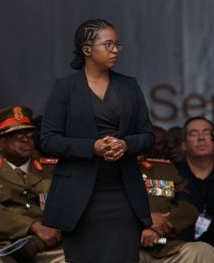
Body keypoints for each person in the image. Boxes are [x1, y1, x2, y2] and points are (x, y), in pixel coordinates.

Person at [40, 19, 155, 263]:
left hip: (123, 194)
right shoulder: (65, 88)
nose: (116, 50)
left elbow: (147, 136)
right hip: (79, 200)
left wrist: (125, 145)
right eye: (108, 44)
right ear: (87, 49)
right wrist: (92, 147)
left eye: (118, 45)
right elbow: (48, 140)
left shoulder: (129, 85)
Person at [0, 105, 64, 263]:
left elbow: (71, 207)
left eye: (28, 134)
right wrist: (33, 226)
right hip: (3, 249)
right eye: (16, 136)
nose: (25, 139)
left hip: (50, 246)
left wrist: (41, 239)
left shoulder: (52, 170)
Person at [138, 157, 214, 263]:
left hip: (163, 247)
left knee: (203, 252)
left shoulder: (163, 168)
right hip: (121, 247)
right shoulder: (110, 170)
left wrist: (159, 227)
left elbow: (188, 209)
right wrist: (143, 223)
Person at [176, 117, 214, 250]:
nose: (201, 138)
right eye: (193, 133)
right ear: (183, 145)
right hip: (184, 252)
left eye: (206, 132)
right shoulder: (172, 176)